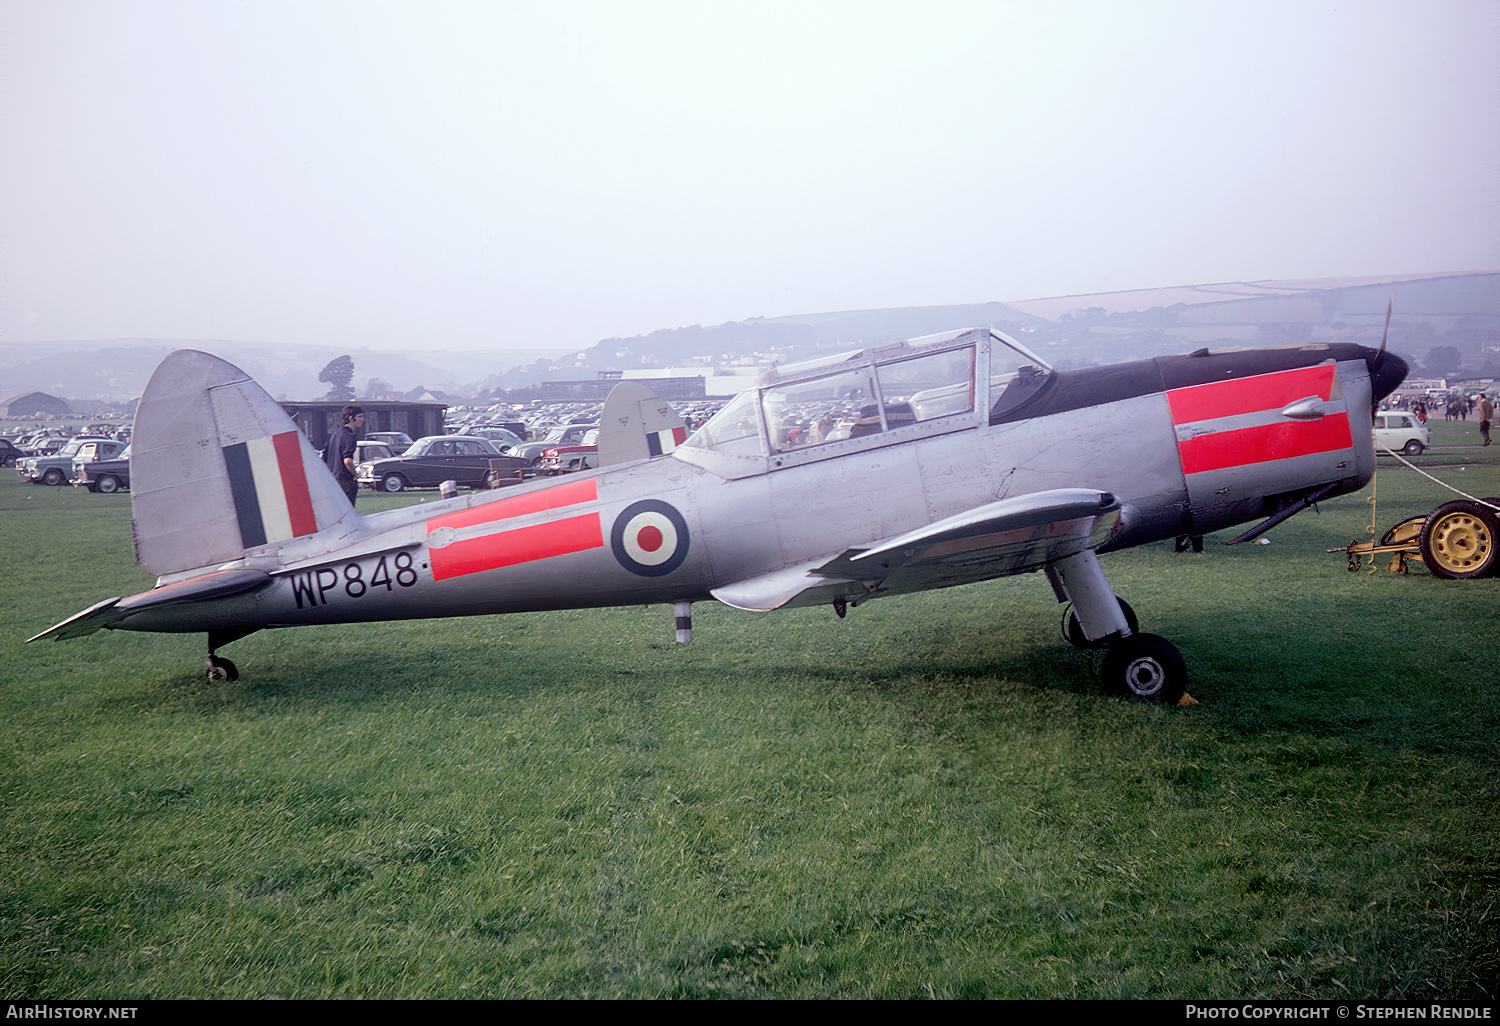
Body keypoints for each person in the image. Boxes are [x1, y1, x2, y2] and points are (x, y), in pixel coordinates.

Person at [326, 405, 365, 503]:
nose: (363, 420)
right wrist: (355, 474)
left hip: (333, 480)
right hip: (346, 481)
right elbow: (347, 461)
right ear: (351, 418)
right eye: (360, 417)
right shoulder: (350, 436)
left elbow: (325, 459)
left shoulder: (334, 435)